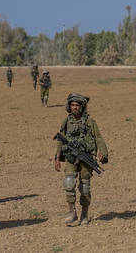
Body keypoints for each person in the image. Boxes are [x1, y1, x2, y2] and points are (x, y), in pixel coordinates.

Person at [54, 93, 109, 225]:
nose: (75, 107)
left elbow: (98, 137)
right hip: (70, 157)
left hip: (85, 157)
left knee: (85, 187)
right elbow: (60, 141)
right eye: (72, 105)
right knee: (68, 182)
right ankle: (72, 212)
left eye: (77, 105)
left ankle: (84, 214)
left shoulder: (89, 121)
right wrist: (57, 158)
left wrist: (103, 153)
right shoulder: (66, 121)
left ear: (81, 107)